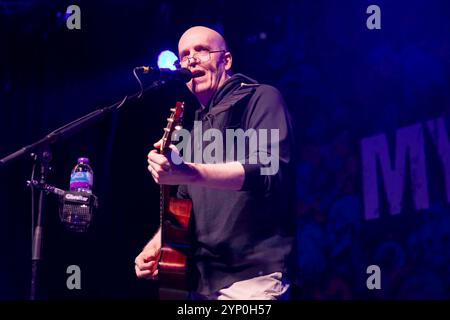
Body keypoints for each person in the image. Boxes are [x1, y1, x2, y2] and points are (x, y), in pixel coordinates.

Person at [134, 26, 296, 300]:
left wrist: (191, 172)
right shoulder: (194, 130)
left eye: (201, 50)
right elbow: (182, 208)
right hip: (202, 284)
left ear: (227, 60)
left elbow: (268, 170)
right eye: (184, 55)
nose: (191, 59)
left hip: (254, 277)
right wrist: (156, 243)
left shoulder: (260, 98)